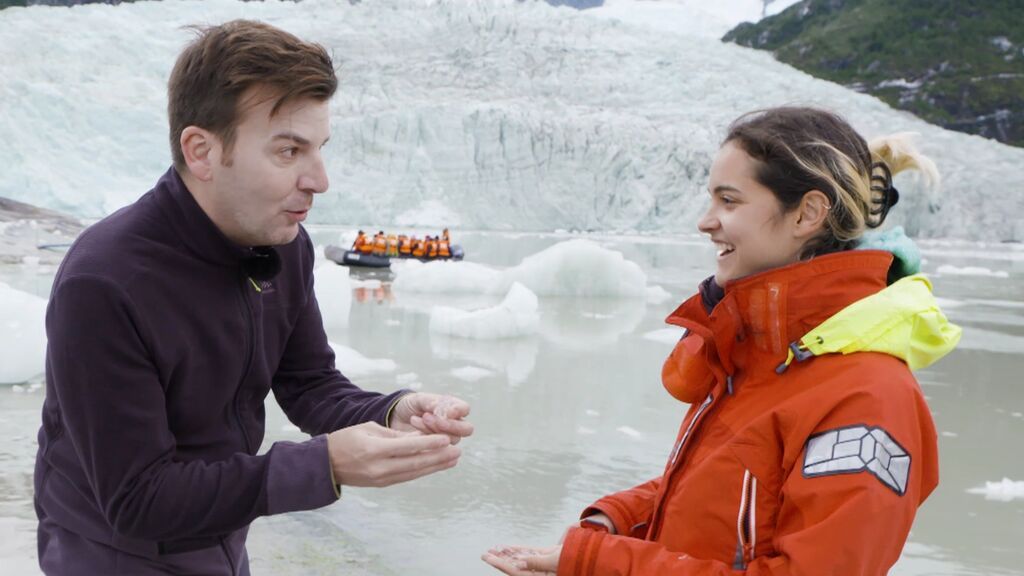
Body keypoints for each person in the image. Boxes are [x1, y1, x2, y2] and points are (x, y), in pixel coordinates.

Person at [34, 20, 473, 576]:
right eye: (289, 151)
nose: (319, 179)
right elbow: (137, 500)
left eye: (319, 149)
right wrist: (326, 465)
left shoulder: (284, 245)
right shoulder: (105, 283)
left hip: (217, 538)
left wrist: (392, 410)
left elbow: (309, 383)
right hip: (110, 555)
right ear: (202, 151)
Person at [484, 107, 961, 576]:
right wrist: (618, 520)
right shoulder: (761, 354)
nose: (705, 221)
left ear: (808, 213)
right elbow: (730, 491)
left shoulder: (868, 398)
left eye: (728, 201)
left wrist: (600, 562)